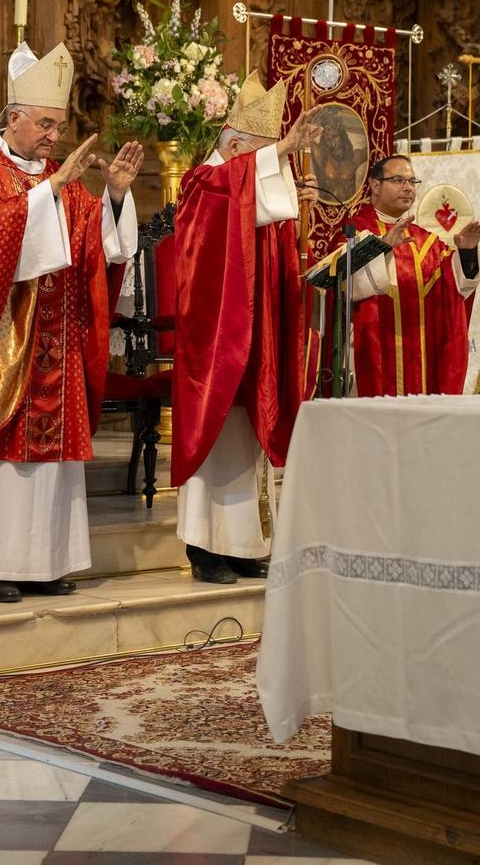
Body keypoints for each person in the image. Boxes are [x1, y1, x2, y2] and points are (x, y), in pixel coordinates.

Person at [0, 42, 144, 603]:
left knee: (49, 463)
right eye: (45, 124)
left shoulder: (57, 175)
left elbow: (98, 243)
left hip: (54, 340)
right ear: (14, 118)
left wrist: (116, 195)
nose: (53, 136)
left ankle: (44, 562)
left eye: (59, 126)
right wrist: (52, 189)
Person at [171, 72, 320, 585]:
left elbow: (268, 242)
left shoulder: (244, 185)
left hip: (255, 329)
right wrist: (282, 152)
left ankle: (242, 547)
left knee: (248, 435)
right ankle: (203, 548)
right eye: (263, 151)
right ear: (234, 145)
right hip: (215, 334)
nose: (274, 161)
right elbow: (222, 219)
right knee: (215, 435)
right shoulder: (202, 182)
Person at [327, 155, 480, 397]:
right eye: (399, 180)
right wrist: (380, 247)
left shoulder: (426, 241)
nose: (408, 188)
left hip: (420, 363)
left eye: (412, 181)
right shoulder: (352, 234)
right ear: (375, 185)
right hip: (370, 357)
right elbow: (342, 286)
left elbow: (457, 287)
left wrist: (467, 252)